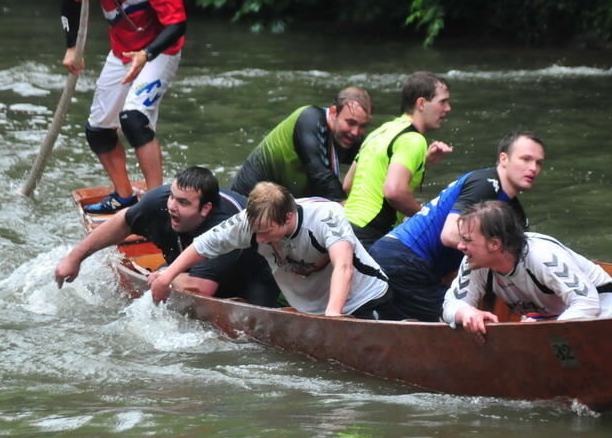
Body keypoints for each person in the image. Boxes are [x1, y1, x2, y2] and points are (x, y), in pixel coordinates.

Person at [61, 0, 188, 214]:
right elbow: (70, 3)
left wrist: (147, 54)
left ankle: (158, 202)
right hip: (121, 52)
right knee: (98, 131)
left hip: (160, 51)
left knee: (133, 119)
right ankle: (124, 195)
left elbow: (177, 26)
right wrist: (72, 47)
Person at [148, 182, 397, 319]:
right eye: (255, 232)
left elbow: (343, 266)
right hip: (310, 312)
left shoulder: (326, 216)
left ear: (288, 217)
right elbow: (203, 246)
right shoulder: (251, 222)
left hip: (364, 300)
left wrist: (333, 315)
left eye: (266, 231)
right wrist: (166, 277)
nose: (259, 239)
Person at [369, 131, 544, 322]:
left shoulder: (514, 211)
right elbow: (450, 235)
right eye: (525, 159)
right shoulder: (484, 184)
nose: (533, 168)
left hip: (412, 265)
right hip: (401, 259)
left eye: (538, 163)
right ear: (504, 159)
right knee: (459, 324)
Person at [55, 166, 279, 305]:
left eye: (183, 203)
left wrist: (166, 277)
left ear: (205, 209)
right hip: (191, 264)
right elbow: (123, 221)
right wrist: (74, 258)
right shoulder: (162, 200)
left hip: (253, 276)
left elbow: (202, 288)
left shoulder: (226, 225)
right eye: (172, 197)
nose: (172, 206)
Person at [441, 201, 612, 335]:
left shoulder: (543, 257)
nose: (460, 246)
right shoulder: (474, 262)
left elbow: (587, 303)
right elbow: (450, 305)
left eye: (467, 240)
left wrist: (545, 332)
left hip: (603, 314)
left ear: (495, 244)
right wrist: (467, 312)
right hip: (547, 320)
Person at [344, 71, 452, 246]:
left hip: (346, 228)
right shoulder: (413, 140)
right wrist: (428, 218)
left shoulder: (381, 131)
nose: (448, 108)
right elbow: (394, 192)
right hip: (371, 235)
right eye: (443, 102)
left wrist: (425, 161)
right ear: (422, 103)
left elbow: (349, 183)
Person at [230, 87, 372, 201]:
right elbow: (321, 175)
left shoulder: (348, 135)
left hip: (282, 208)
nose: (355, 132)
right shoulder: (309, 118)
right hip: (247, 202)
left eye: (362, 126)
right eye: (350, 122)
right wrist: (344, 206)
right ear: (334, 112)